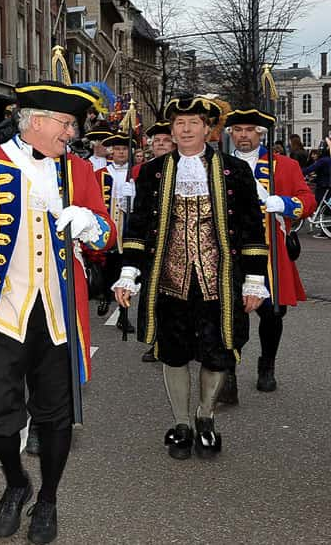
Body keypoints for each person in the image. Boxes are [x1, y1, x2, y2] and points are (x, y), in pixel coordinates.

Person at [0, 82, 115, 545]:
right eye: (66, 124)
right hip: (2, 312)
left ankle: (50, 500)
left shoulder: (79, 172)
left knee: (56, 416)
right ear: (35, 120)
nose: (72, 134)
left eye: (74, 126)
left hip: (58, 314)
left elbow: (105, 236)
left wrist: (92, 225)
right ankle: (17, 484)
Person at [113, 95, 268, 462]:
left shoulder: (233, 171)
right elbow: (139, 227)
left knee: (216, 354)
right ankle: (181, 423)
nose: (184, 129)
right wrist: (128, 273)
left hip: (219, 280)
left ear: (208, 128)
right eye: (179, 123)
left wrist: (254, 280)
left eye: (193, 123)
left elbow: (250, 228)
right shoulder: (153, 171)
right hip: (169, 280)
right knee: (174, 352)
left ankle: (205, 416)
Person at [224, 108, 315, 396]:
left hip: (270, 251)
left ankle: (267, 365)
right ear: (231, 135)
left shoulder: (284, 165)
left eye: (249, 130)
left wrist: (285, 204)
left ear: (260, 134)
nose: (243, 135)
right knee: (229, 313)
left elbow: (307, 200)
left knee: (272, 314)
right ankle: (228, 372)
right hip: (231, 251)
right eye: (238, 130)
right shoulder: (218, 165)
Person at [137, 121, 174, 362]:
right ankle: (159, 342)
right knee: (156, 296)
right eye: (157, 140)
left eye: (165, 140)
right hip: (154, 240)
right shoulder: (146, 170)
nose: (160, 144)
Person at [93, 133, 135, 329]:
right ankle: (103, 295)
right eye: (117, 149)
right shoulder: (101, 173)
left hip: (127, 229)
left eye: (124, 149)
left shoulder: (135, 173)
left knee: (125, 272)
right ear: (112, 151)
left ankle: (123, 316)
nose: (120, 152)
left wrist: (133, 197)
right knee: (105, 267)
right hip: (108, 227)